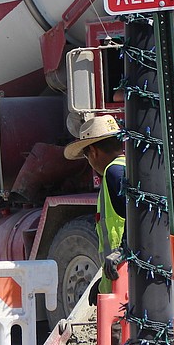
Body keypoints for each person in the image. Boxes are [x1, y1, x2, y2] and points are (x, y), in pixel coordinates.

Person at [64, 114, 125, 295]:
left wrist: (123, 251)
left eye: (86, 156)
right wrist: (102, 284)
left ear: (93, 151)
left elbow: (138, 216)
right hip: (122, 277)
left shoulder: (113, 172)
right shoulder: (125, 167)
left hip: (126, 281)